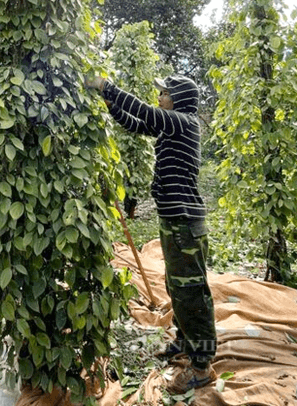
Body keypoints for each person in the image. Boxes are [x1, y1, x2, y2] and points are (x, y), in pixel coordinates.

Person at [86, 75, 217, 393]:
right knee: (176, 287)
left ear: (179, 99)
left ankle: (202, 367)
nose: (159, 95)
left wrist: (108, 87)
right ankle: (183, 344)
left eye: (165, 92)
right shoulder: (171, 126)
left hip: (185, 222)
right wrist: (109, 104)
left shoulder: (183, 122)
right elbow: (136, 124)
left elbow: (145, 112)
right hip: (175, 221)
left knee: (191, 293)